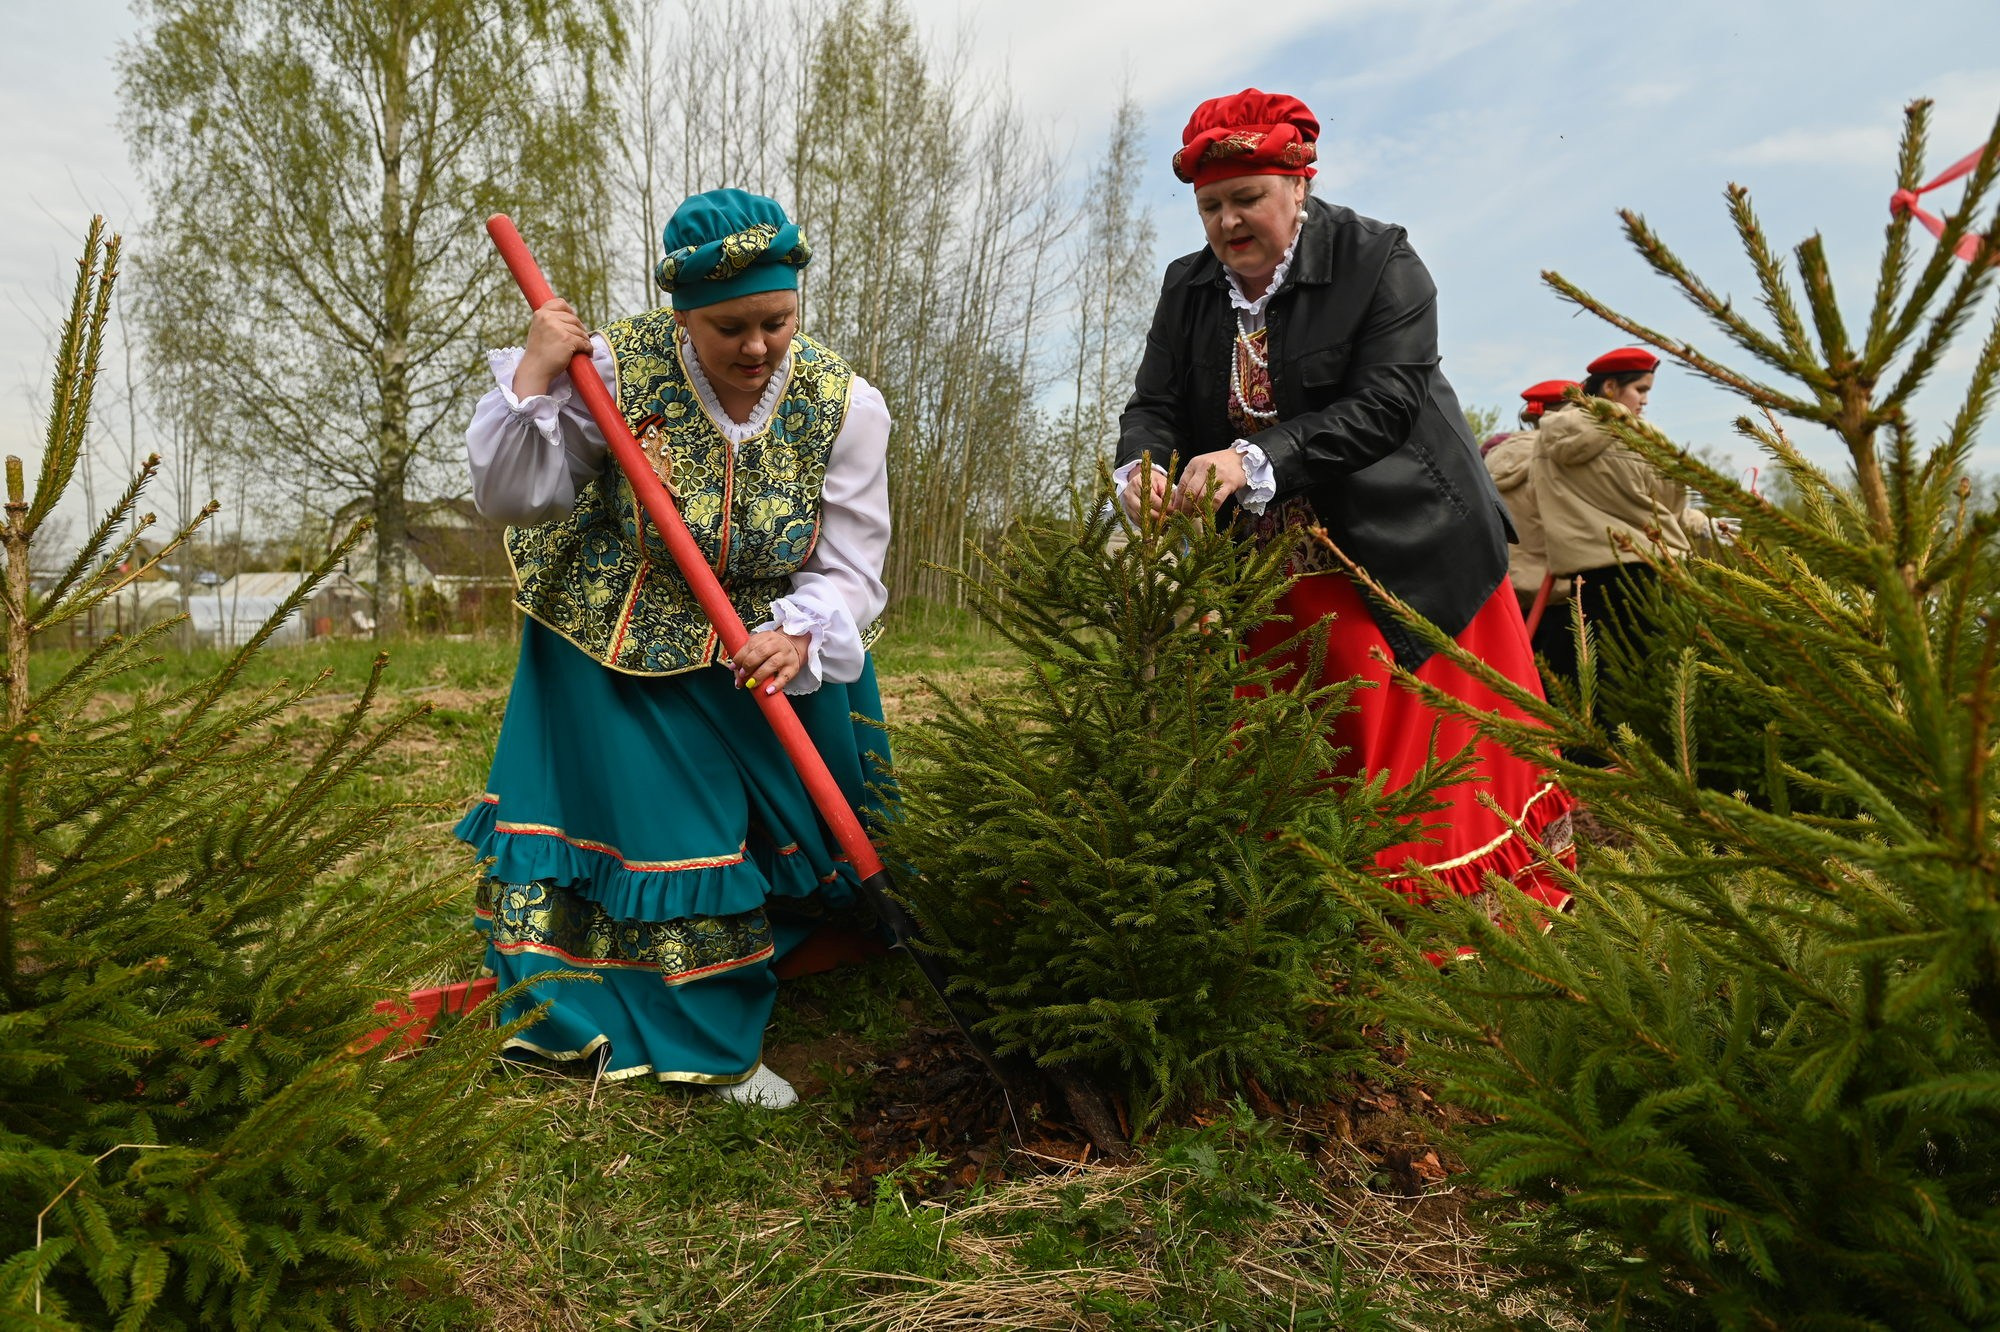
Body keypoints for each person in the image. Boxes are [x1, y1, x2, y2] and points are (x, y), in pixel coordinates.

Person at [455, 189, 892, 1108]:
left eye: (776, 321)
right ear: (683, 314)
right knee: (680, 839)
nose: (758, 347)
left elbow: (854, 565)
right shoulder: (614, 370)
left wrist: (798, 630)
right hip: (623, 637)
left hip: (765, 640)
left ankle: (806, 931)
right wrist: (536, 373)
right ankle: (705, 1037)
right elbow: (514, 496)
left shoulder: (844, 404)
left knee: (822, 830)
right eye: (730, 327)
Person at [1118, 88, 1574, 913]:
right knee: (1291, 743)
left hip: (1405, 547)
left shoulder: (1380, 259)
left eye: (1247, 198)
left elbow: (1387, 406)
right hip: (1270, 570)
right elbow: (1154, 403)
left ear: (1300, 185)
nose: (1227, 223)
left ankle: (1420, 925)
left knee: (1400, 755)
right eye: (1211, 206)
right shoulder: (1188, 287)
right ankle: (1298, 913)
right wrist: (1141, 468)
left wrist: (1251, 460)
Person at [1532, 346, 1715, 687]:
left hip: (1583, 574)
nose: (1644, 400)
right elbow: (1671, 501)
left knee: (1596, 677)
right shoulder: (1641, 434)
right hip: (1647, 567)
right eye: (1640, 389)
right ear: (1610, 387)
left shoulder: (1548, 437)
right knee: (1650, 677)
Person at [1484, 379, 1579, 676]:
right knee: (1561, 687)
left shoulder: (1492, 456)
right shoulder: (1558, 458)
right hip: (1557, 594)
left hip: (1506, 592)